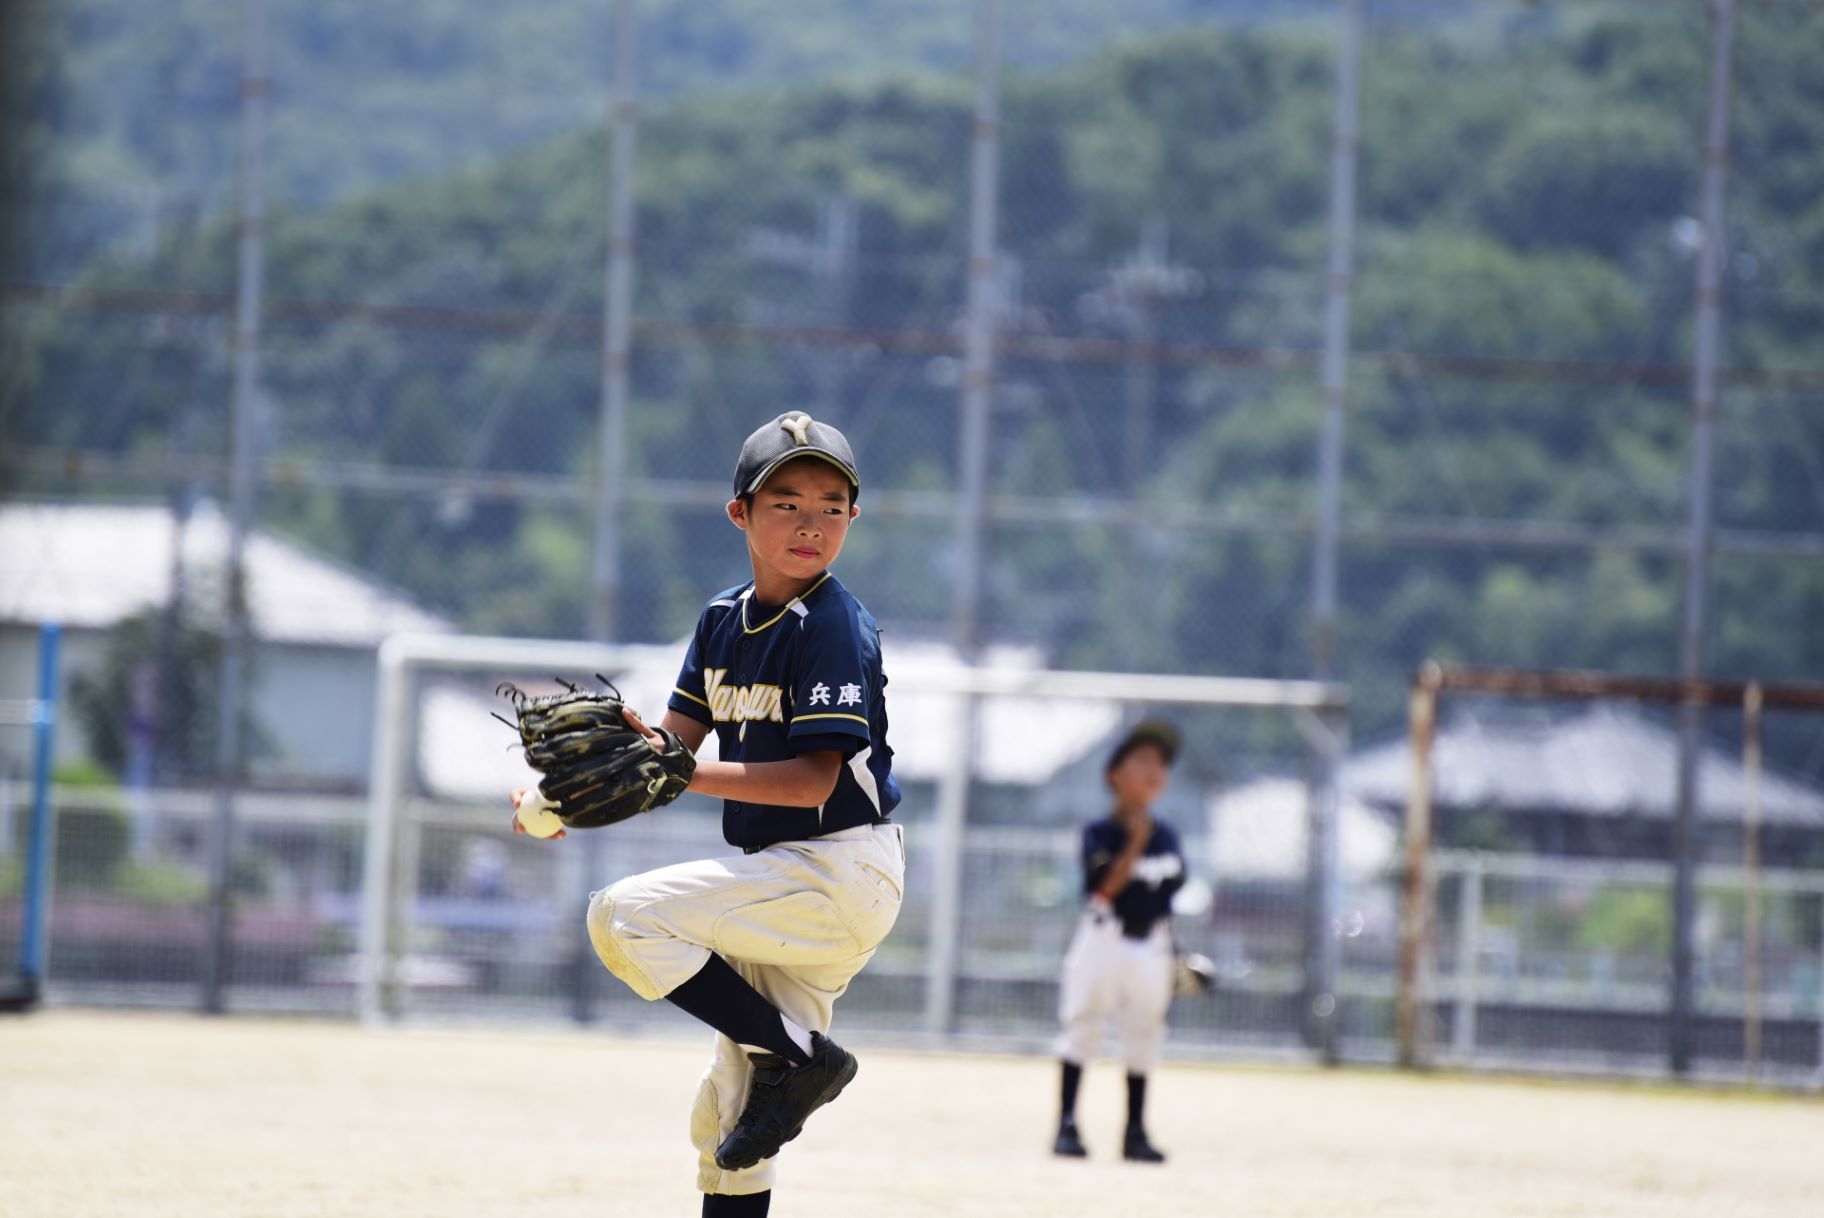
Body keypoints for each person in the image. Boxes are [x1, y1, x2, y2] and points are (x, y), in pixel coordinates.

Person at [513, 411, 905, 1217]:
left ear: (853, 519)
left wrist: (677, 767)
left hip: (839, 869)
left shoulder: (832, 625)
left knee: (624, 918)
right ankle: (792, 1064)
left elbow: (811, 784)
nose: (811, 523)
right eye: (786, 500)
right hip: (781, 884)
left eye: (832, 505)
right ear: (740, 513)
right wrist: (559, 796)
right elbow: (664, 753)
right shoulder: (723, 620)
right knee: (728, 1127)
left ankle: (803, 1059)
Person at [1051, 720, 1185, 1164]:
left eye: (1160, 764)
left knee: (1145, 1032)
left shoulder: (1167, 837)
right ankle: (1067, 1126)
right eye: (1142, 760)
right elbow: (1103, 889)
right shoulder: (1100, 832)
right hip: (1103, 937)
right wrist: (1135, 843)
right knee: (1085, 1025)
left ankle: (1135, 1132)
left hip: (1152, 944)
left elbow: (1166, 898)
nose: (1154, 770)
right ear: (1115, 774)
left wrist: (1177, 954)